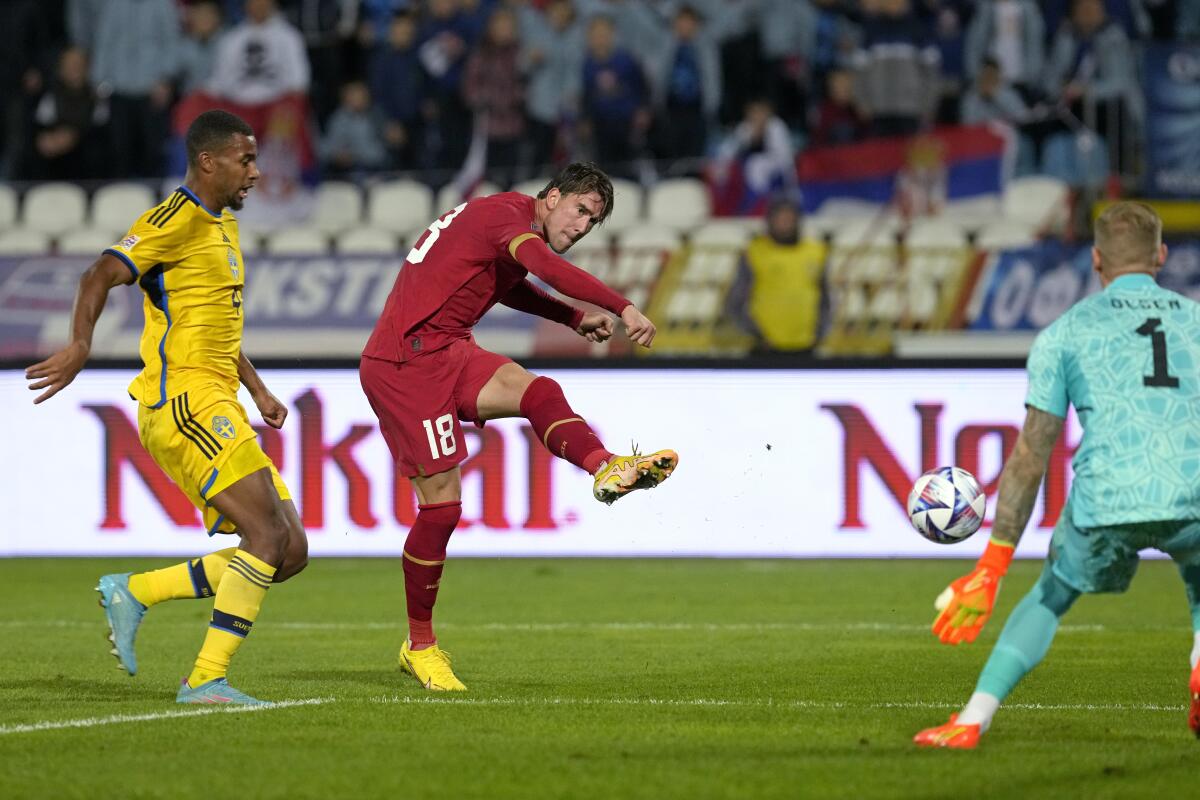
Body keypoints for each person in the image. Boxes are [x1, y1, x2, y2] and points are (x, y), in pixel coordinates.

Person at [359, 161, 678, 692]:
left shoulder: (504, 223)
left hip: (449, 347)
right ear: (551, 197)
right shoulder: (509, 218)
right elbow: (548, 272)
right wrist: (621, 306)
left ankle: (607, 468)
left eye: (592, 222)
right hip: (405, 364)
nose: (581, 227)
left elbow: (510, 286)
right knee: (442, 508)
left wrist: (572, 319)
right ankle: (420, 646)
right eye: (580, 210)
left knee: (539, 392)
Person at [24, 110, 308, 706]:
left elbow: (214, 326)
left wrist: (254, 388)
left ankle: (138, 590)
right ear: (209, 161)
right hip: (183, 400)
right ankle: (205, 680)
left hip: (219, 394)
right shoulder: (173, 219)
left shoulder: (222, 224)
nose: (256, 173)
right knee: (264, 536)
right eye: (245, 160)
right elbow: (98, 274)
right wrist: (80, 343)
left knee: (290, 550)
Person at [914, 202, 1200, 748]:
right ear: (1161, 256)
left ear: (1095, 260)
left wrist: (992, 567)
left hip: (1109, 498)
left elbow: (1030, 454)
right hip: (1194, 489)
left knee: (1049, 595)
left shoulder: (1063, 334)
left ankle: (972, 719)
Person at [726, 198, 827, 354]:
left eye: (789, 218)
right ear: (769, 221)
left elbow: (827, 298)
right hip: (765, 347)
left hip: (806, 345)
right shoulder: (755, 252)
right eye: (780, 218)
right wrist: (756, 334)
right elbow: (735, 301)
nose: (785, 223)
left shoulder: (816, 252)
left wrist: (820, 333)